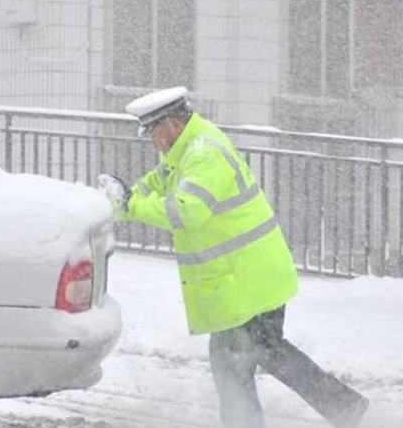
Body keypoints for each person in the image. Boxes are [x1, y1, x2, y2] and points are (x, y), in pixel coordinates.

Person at [98, 87, 369, 428]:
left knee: (237, 362)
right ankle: (344, 407)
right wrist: (127, 197)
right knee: (262, 354)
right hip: (247, 279)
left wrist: (131, 206)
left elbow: (186, 211)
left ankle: (336, 408)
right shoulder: (185, 152)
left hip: (248, 280)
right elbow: (159, 181)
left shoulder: (204, 155)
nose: (151, 140)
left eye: (153, 131)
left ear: (172, 124)